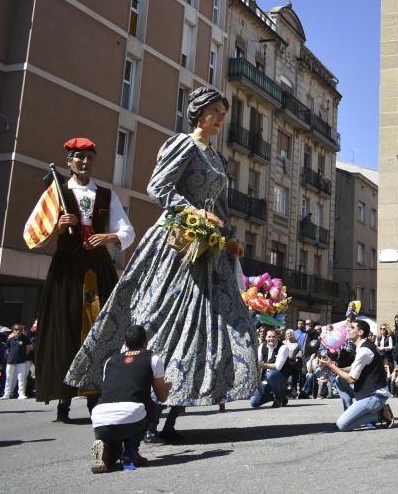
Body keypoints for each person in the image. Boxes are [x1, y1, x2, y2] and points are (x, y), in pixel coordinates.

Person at [66, 87, 260, 441]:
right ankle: (145, 411)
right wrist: (192, 212)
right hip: (177, 244)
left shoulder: (216, 157)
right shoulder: (182, 145)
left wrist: (229, 239)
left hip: (207, 250)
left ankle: (172, 413)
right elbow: (158, 187)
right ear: (198, 112)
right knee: (162, 319)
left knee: (213, 327)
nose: (219, 118)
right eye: (214, 111)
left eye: (223, 113)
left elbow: (217, 206)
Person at [25, 137, 135, 422]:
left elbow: (127, 231)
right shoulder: (56, 193)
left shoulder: (106, 195)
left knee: (99, 330)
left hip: (98, 268)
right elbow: (32, 232)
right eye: (78, 158)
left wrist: (109, 237)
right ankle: (63, 399)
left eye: (88, 158)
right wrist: (56, 225)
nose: (84, 163)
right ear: (69, 161)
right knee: (66, 330)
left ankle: (95, 396)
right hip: (66, 270)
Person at [89, 325, 170, 473]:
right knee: (152, 405)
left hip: (100, 417)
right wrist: (167, 386)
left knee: (113, 452)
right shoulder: (153, 359)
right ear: (146, 343)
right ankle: (133, 451)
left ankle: (104, 446)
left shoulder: (110, 361)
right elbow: (162, 397)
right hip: (131, 416)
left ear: (125, 344)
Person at [320, 320, 394, 430]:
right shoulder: (364, 346)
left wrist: (332, 367)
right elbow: (353, 368)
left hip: (374, 396)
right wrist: (336, 367)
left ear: (360, 332)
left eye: (352, 328)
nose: (348, 329)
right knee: (339, 379)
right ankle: (350, 412)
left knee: (342, 425)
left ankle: (379, 414)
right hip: (369, 392)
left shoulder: (364, 350)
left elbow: (351, 379)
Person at [250, 329, 290, 409]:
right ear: (265, 337)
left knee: (271, 374)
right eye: (269, 337)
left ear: (277, 337)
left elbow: (277, 367)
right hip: (266, 378)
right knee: (254, 402)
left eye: (273, 337)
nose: (271, 339)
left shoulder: (283, 347)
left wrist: (262, 365)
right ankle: (281, 396)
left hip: (280, 377)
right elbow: (258, 362)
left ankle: (278, 398)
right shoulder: (261, 346)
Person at [1, 324, 32, 400]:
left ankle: (21, 394)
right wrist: (10, 357)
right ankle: (6, 394)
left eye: (20, 330)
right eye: (16, 329)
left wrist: (23, 356)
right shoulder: (10, 339)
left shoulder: (25, 338)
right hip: (10, 361)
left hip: (21, 361)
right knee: (8, 378)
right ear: (13, 330)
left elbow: (28, 348)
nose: (18, 331)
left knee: (21, 378)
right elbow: (7, 349)